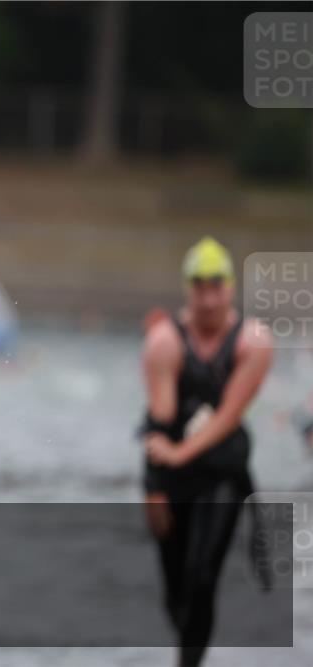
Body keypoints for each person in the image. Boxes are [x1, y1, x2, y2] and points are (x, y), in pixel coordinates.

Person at [140, 236, 273, 667]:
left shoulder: (253, 342)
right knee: (175, 589)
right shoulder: (165, 342)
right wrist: (154, 490)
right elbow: (159, 425)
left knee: (203, 577)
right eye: (200, 287)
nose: (209, 298)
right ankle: (190, 654)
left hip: (222, 475)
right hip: (174, 481)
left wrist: (180, 454)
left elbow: (228, 417)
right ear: (187, 289)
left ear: (231, 288)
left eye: (217, 286)